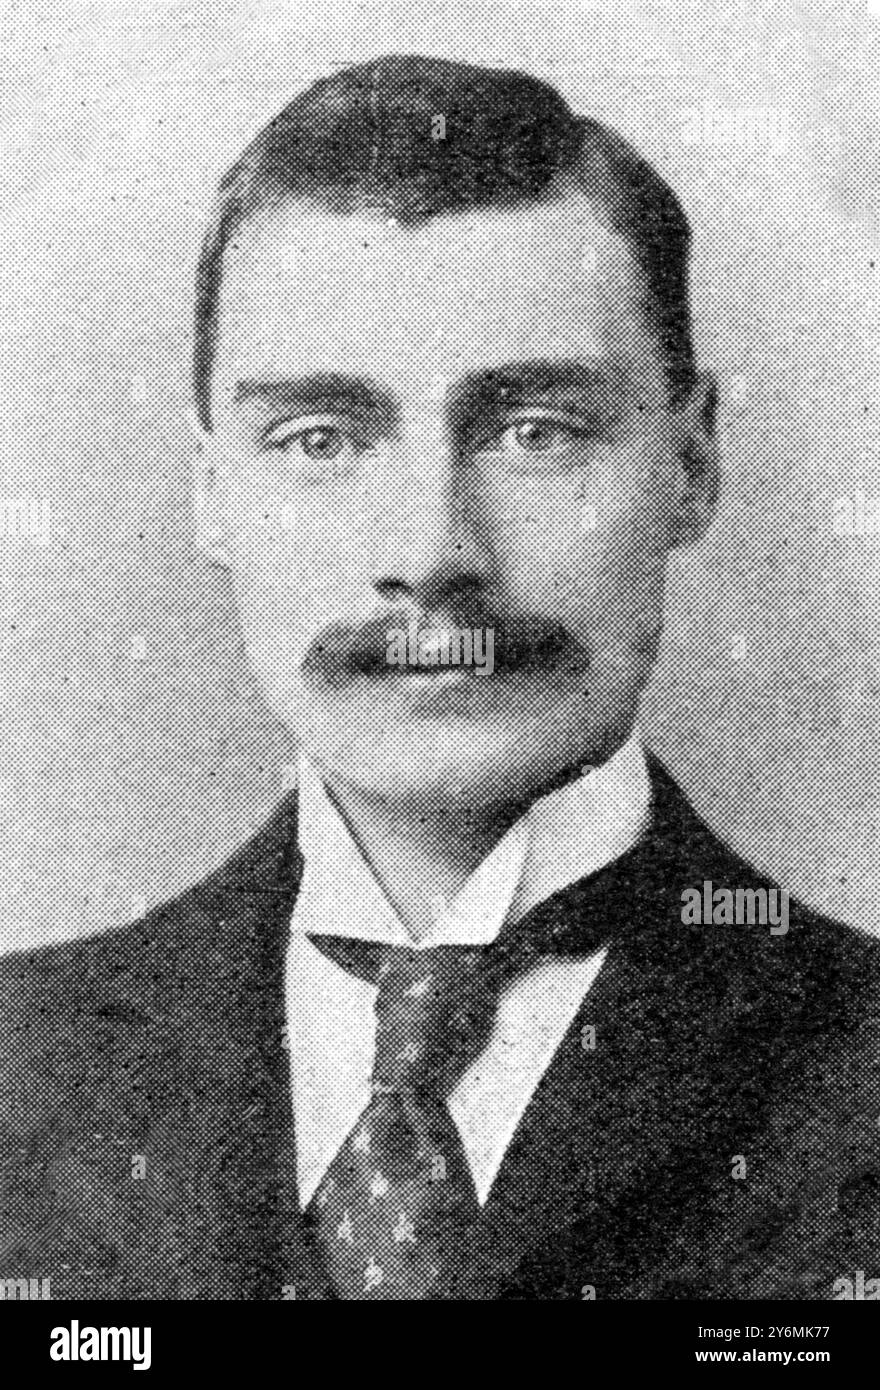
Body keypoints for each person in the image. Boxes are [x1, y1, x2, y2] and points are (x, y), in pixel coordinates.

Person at [2, 54, 878, 1302]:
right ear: (211, 494)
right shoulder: (21, 1066)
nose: (429, 552)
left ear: (690, 466)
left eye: (535, 431)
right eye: (320, 438)